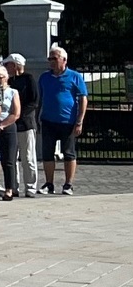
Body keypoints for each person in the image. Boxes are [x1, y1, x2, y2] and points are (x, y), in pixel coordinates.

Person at [38, 46, 87, 195]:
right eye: (50, 58)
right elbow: (41, 98)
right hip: (48, 120)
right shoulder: (44, 77)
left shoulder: (75, 76)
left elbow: (83, 98)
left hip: (68, 121)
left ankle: (68, 184)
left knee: (69, 153)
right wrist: (37, 118)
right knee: (47, 153)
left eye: (55, 58)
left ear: (64, 60)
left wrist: (79, 120)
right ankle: (49, 183)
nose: (51, 61)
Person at [5, 53, 39, 198]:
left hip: (25, 123)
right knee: (12, 157)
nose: (6, 67)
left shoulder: (28, 79)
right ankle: (14, 186)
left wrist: (20, 114)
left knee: (28, 156)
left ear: (15, 65)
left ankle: (31, 187)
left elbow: (34, 101)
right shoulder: (8, 81)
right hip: (11, 123)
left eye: (8, 65)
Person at [0, 64, 21, 202]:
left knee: (8, 160)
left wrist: (2, 125)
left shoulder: (13, 92)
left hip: (7, 126)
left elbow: (16, 113)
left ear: (6, 78)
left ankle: (9, 189)